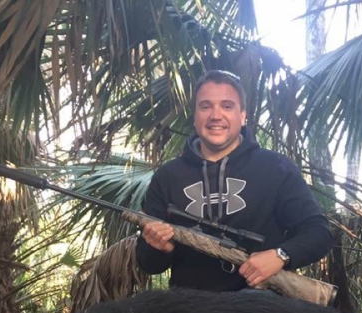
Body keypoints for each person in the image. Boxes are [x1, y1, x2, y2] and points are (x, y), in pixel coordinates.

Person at [136, 70, 334, 292]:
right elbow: (148, 263)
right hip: (188, 308)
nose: (215, 115)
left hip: (262, 307)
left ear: (242, 115)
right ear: (195, 117)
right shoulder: (167, 176)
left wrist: (281, 255)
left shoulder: (277, 168)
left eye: (227, 106)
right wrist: (159, 248)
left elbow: (318, 232)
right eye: (205, 106)